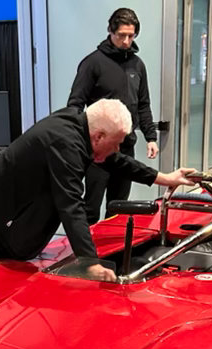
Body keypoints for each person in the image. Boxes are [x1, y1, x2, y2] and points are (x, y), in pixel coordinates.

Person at [0, 98, 194, 282]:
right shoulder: (65, 143)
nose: (117, 149)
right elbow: (71, 205)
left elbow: (116, 161)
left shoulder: (82, 128)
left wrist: (164, 178)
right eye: (116, 143)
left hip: (13, 214)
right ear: (98, 136)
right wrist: (90, 263)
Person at [68, 8, 159, 225]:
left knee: (118, 208)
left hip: (125, 147)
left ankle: (112, 245)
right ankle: (85, 246)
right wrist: (81, 141)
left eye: (131, 36)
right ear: (110, 31)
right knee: (91, 208)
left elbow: (143, 104)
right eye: (121, 35)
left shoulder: (138, 65)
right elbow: (75, 105)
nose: (126, 41)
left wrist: (151, 137)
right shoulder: (93, 63)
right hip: (98, 150)